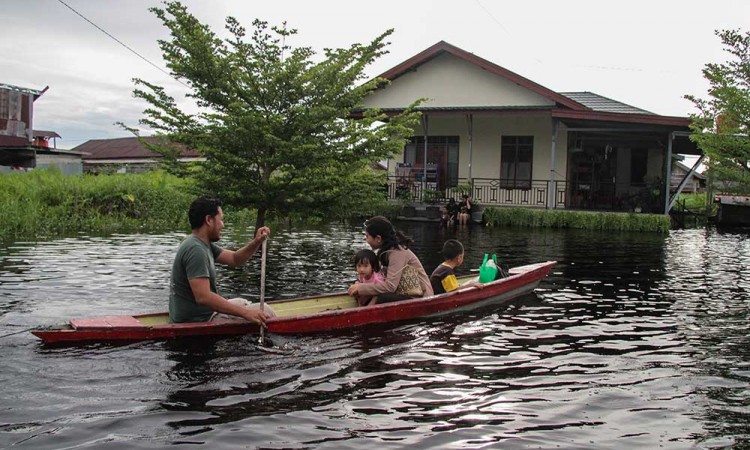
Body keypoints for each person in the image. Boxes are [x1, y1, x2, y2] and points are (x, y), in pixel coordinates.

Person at [169, 197, 276, 325]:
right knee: (266, 312)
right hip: (198, 319)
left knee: (243, 302)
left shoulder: (202, 244)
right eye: (221, 220)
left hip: (204, 313)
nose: (223, 225)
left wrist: (256, 242)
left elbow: (235, 259)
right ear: (209, 220)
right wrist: (246, 313)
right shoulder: (195, 249)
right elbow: (203, 297)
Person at [347, 216, 434, 304]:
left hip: (420, 298)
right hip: (400, 294)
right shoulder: (385, 251)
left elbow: (390, 286)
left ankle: (365, 314)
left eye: (367, 236)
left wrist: (360, 288)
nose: (365, 239)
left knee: (381, 297)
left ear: (378, 238)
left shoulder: (397, 253)